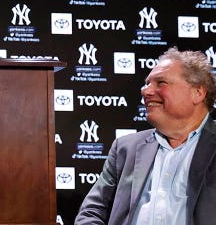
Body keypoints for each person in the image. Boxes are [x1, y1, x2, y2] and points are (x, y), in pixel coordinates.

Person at [74, 47, 216, 225]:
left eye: (161, 82)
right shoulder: (126, 148)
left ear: (198, 93)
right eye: (147, 83)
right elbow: (92, 212)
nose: (145, 91)